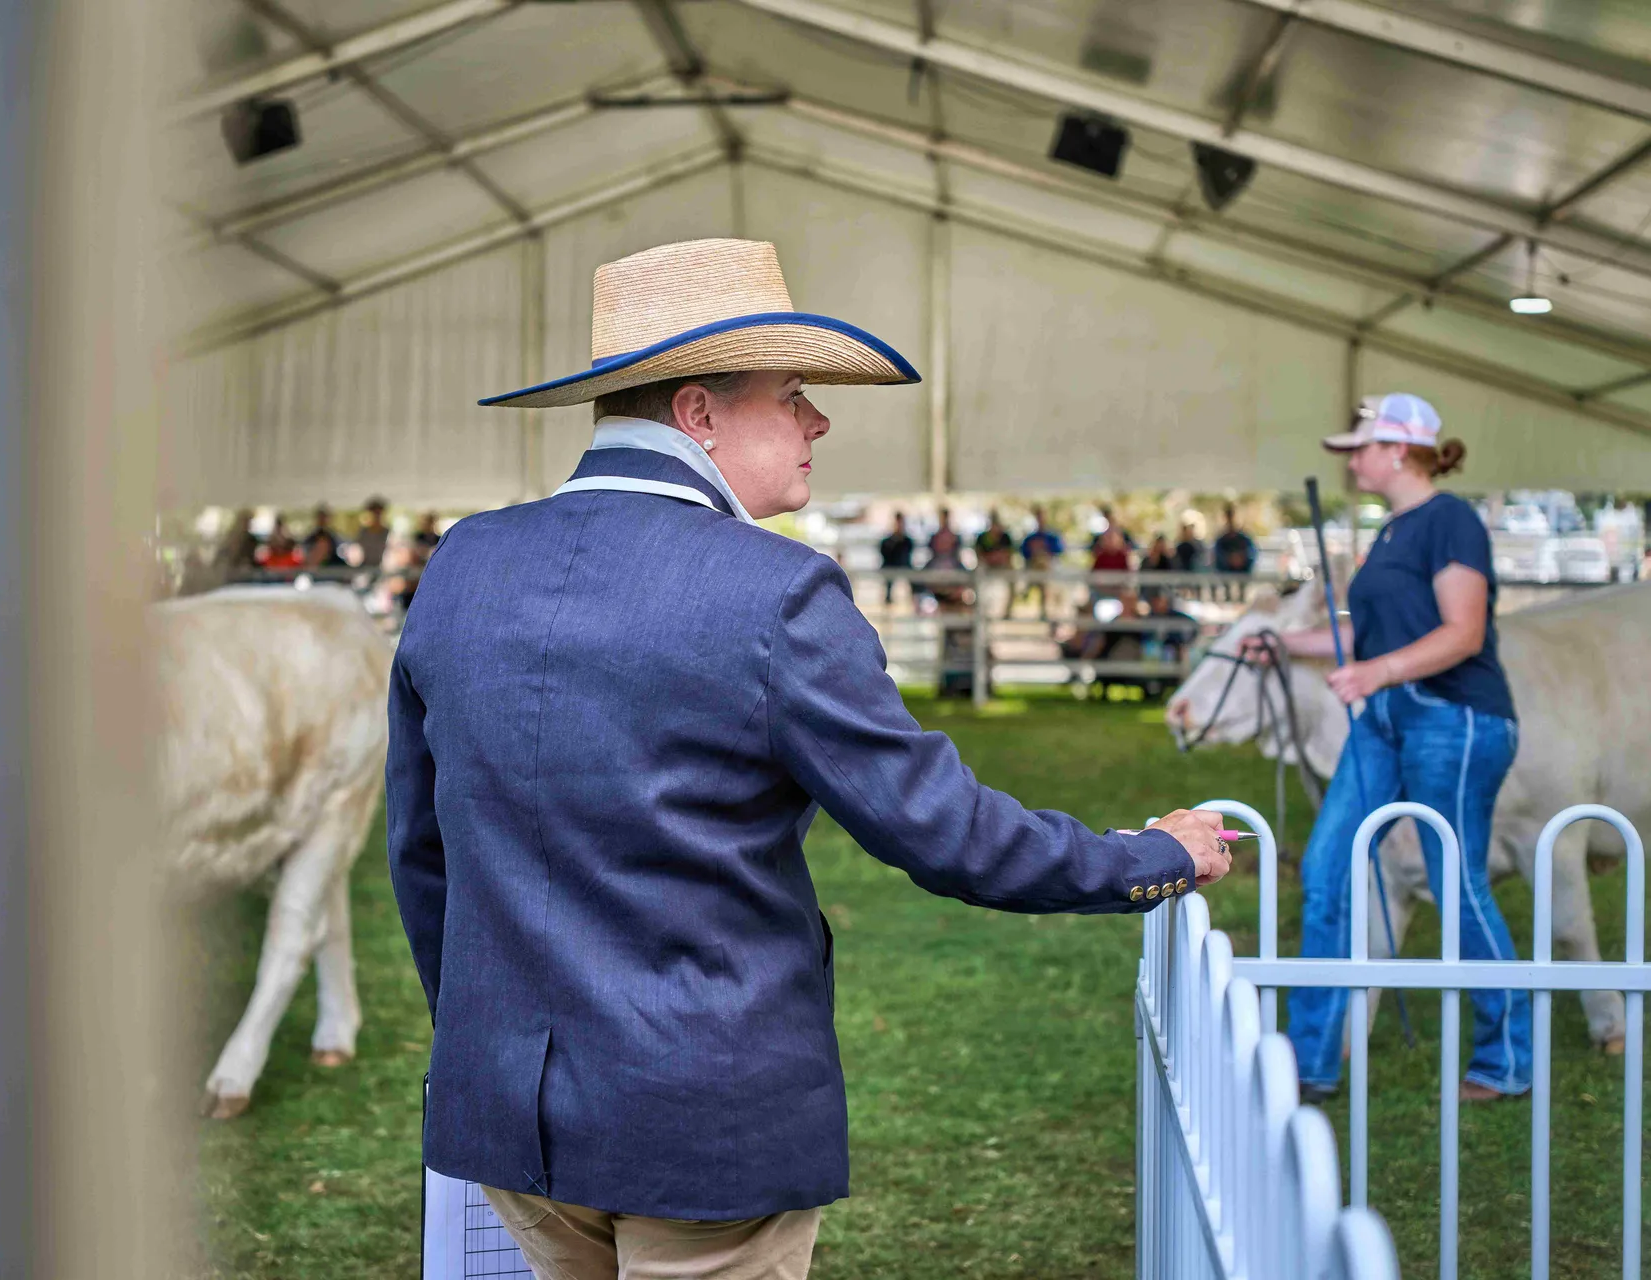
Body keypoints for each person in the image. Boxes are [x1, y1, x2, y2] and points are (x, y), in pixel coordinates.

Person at [386, 237, 1230, 1280]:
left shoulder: (464, 559)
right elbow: (946, 830)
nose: (818, 420)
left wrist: (488, 1035)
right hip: (701, 1114)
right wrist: (1148, 854)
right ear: (697, 412)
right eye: (792, 396)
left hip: (511, 1105)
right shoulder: (775, 590)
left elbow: (421, 850)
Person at [1244, 392, 1526, 1105]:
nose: (1352, 459)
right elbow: (1364, 640)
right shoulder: (1393, 532)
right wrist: (1282, 641)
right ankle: (1312, 1062)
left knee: (1455, 883)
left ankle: (1507, 1058)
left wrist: (1377, 672)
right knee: (1327, 865)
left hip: (1453, 717)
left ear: (1399, 449)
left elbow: (1463, 632)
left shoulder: (1450, 521)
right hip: (1387, 718)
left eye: (1362, 447)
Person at [1020, 505, 1065, 620]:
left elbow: (1059, 550)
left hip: (1049, 568)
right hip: (1034, 568)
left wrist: (1046, 549)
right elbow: (1024, 551)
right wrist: (1034, 549)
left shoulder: (1052, 536)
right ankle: (1028, 589)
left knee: (1045, 573)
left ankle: (1047, 612)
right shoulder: (1031, 537)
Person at [877, 511, 915, 604]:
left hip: (903, 565)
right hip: (891, 565)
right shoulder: (888, 540)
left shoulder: (907, 540)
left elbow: (908, 553)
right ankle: (888, 600)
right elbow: (884, 553)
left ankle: (913, 598)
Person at [357, 497, 390, 573]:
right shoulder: (363, 533)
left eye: (378, 513)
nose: (376, 516)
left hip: (384, 569)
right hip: (364, 569)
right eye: (374, 513)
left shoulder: (388, 533)